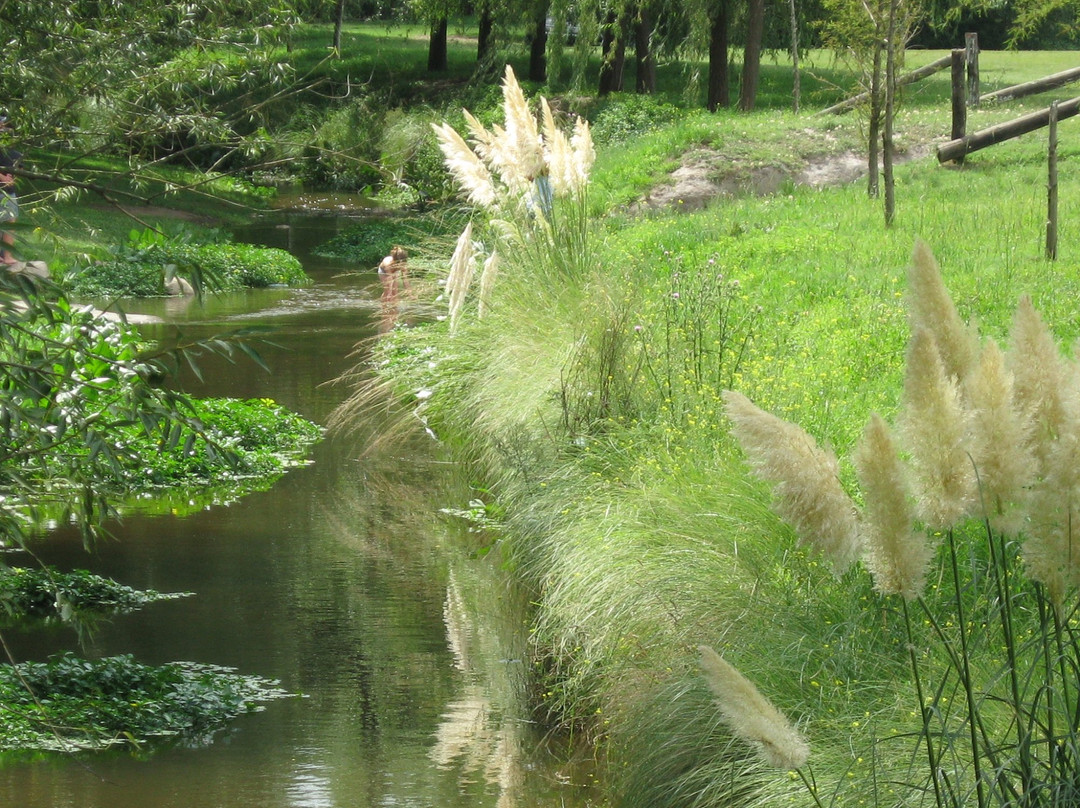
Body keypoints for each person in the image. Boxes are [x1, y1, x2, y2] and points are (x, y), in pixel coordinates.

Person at [0, 116, 21, 266]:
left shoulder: (16, 154)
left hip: (9, 192)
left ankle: (7, 256)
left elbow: (20, 171)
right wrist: (3, 177)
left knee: (10, 222)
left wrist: (13, 179)